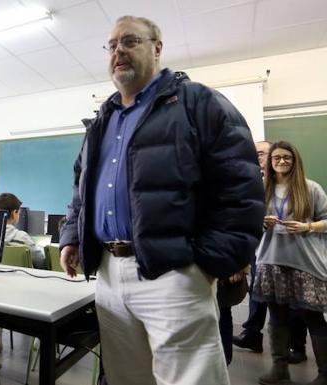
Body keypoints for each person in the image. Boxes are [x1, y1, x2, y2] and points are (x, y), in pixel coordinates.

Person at [59, 15, 264, 385]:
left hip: (175, 271)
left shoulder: (198, 103)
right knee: (126, 378)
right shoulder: (101, 120)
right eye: (111, 45)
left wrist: (207, 265)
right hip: (108, 273)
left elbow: (241, 188)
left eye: (130, 41)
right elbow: (80, 186)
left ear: (157, 48)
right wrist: (72, 236)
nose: (118, 51)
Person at [252, 141, 327, 385]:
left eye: (287, 157)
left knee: (312, 317)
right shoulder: (260, 189)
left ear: (295, 160)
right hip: (271, 261)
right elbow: (248, 224)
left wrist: (308, 227)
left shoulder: (310, 188)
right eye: (276, 158)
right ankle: (279, 369)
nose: (281, 161)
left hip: (304, 263)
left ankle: (325, 373)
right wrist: (262, 222)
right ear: (269, 162)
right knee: (276, 317)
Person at [234, 141, 309, 363]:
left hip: (293, 252)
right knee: (259, 296)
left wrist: (306, 226)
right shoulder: (257, 184)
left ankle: (297, 346)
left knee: (293, 303)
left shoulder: (299, 185)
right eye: (256, 154)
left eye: (263, 154)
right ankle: (254, 336)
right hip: (262, 250)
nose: (260, 159)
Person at [0, 193, 48, 352]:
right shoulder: (22, 237)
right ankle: (40, 335)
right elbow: (40, 260)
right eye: (19, 212)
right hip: (23, 291)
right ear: (14, 213)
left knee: (3, 292)